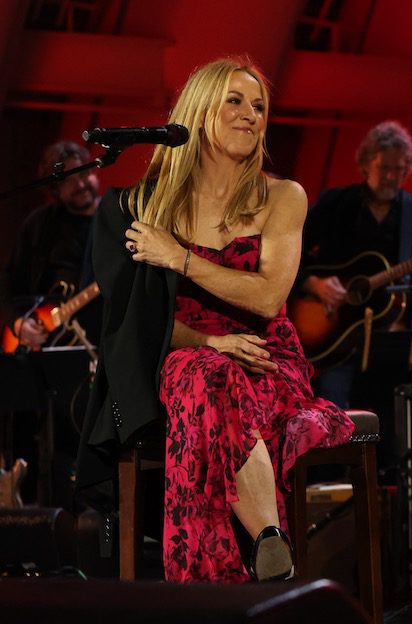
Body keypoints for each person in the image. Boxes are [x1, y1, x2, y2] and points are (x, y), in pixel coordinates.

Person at [79, 57, 353, 583]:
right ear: (199, 110)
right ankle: (267, 538)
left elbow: (270, 298)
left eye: (258, 107)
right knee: (201, 372)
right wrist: (209, 341)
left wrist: (180, 259)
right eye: (235, 100)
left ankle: (206, 585)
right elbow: (137, 320)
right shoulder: (143, 206)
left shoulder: (282, 196)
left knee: (204, 382)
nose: (250, 115)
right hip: (181, 354)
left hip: (266, 359)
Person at [297, 120, 412, 471]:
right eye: (384, 168)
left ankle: (392, 494)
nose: (391, 177)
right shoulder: (335, 204)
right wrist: (316, 285)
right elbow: (290, 255)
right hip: (337, 337)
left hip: (393, 343)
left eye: (400, 170)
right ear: (365, 164)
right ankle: (332, 488)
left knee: (395, 431)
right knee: (333, 419)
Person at [2, 140, 100, 351]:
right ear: (55, 189)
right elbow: (8, 279)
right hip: (41, 344)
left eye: (83, 173)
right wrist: (17, 322)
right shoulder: (40, 223)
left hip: (97, 339)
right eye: (69, 180)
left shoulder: (114, 220)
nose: (81, 185)